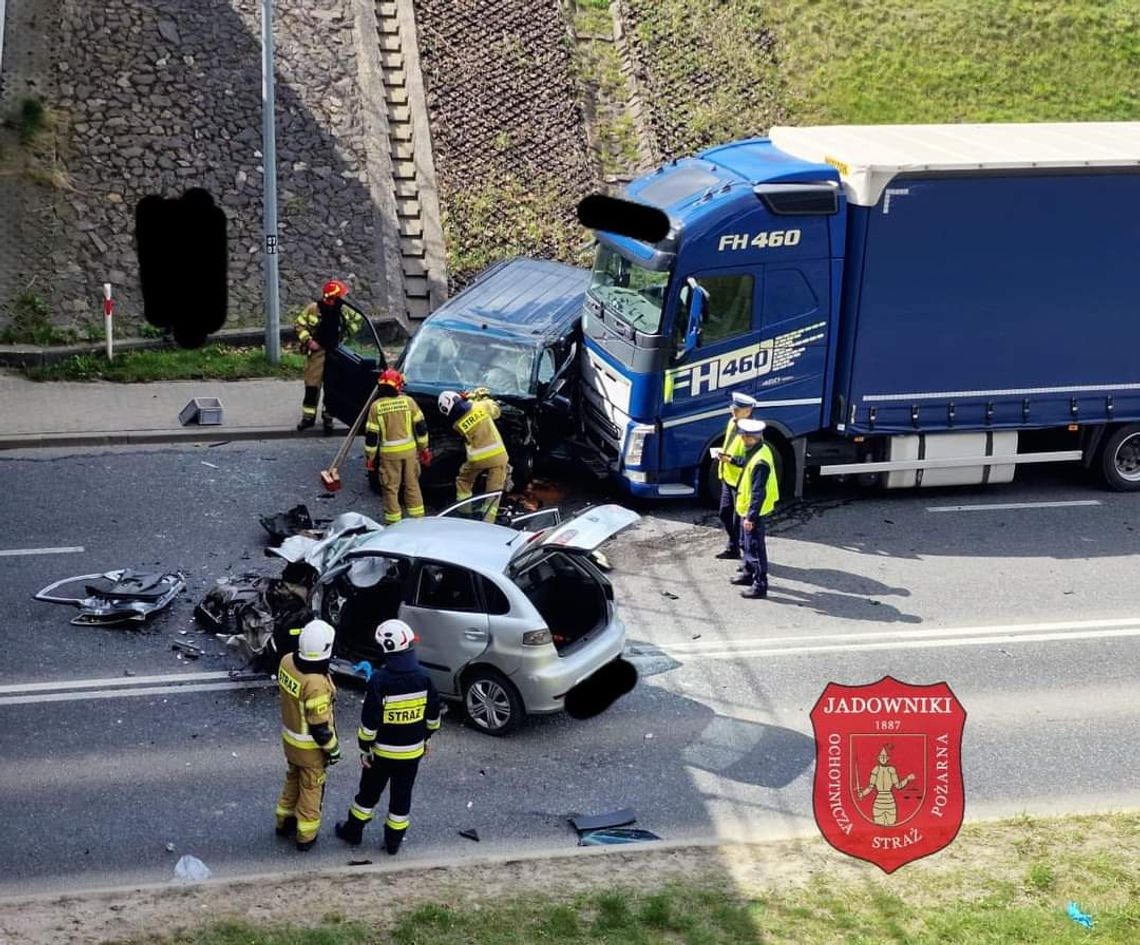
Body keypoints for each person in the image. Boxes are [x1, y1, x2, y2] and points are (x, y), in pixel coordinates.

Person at [335, 619, 441, 856]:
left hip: (381, 754)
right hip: (413, 753)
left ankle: (354, 831)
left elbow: (369, 724)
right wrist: (426, 738)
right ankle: (393, 842)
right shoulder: (425, 678)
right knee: (401, 798)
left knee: (368, 794)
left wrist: (365, 748)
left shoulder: (380, 680)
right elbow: (433, 717)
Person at [274, 619, 342, 851]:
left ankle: (284, 819)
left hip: (290, 741)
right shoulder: (315, 684)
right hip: (310, 750)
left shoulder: (286, 662)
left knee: (293, 779)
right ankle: (306, 835)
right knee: (312, 788)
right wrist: (333, 750)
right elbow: (320, 727)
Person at [294, 279, 363, 433]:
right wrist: (309, 341)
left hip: (335, 352)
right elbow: (299, 324)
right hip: (317, 352)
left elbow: (358, 321)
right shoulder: (313, 309)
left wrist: (345, 334)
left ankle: (328, 416)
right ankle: (308, 418)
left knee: (331, 386)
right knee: (312, 386)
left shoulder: (344, 310)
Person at [363, 368, 431, 524]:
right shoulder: (409, 402)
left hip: (389, 456)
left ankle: (393, 524)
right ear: (398, 386)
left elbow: (372, 436)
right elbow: (421, 428)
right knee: (412, 485)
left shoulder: (376, 407)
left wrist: (370, 457)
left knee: (390, 488)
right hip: (409, 453)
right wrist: (424, 449)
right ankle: (418, 521)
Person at [438, 387, 510, 522]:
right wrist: (484, 397)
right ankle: (488, 521)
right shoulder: (480, 406)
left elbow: (465, 410)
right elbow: (496, 410)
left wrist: (471, 399)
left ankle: (464, 513)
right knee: (494, 491)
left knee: (464, 480)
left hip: (477, 459)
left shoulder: (456, 424)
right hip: (498, 457)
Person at [730, 418, 779, 599]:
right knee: (746, 544)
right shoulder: (758, 449)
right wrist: (732, 460)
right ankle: (747, 573)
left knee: (755, 548)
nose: (741, 439)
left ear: (752, 438)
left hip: (754, 511)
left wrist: (750, 517)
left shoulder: (760, 462)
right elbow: (746, 462)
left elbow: (759, 492)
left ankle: (760, 585)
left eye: (743, 437)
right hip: (746, 507)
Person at [714, 391, 759, 559]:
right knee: (725, 513)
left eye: (737, 409)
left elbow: (750, 459)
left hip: (741, 481)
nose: (732, 410)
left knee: (740, 519)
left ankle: (743, 552)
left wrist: (730, 460)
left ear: (747, 412)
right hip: (728, 477)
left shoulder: (751, 431)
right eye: (733, 407)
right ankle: (733, 546)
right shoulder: (732, 422)